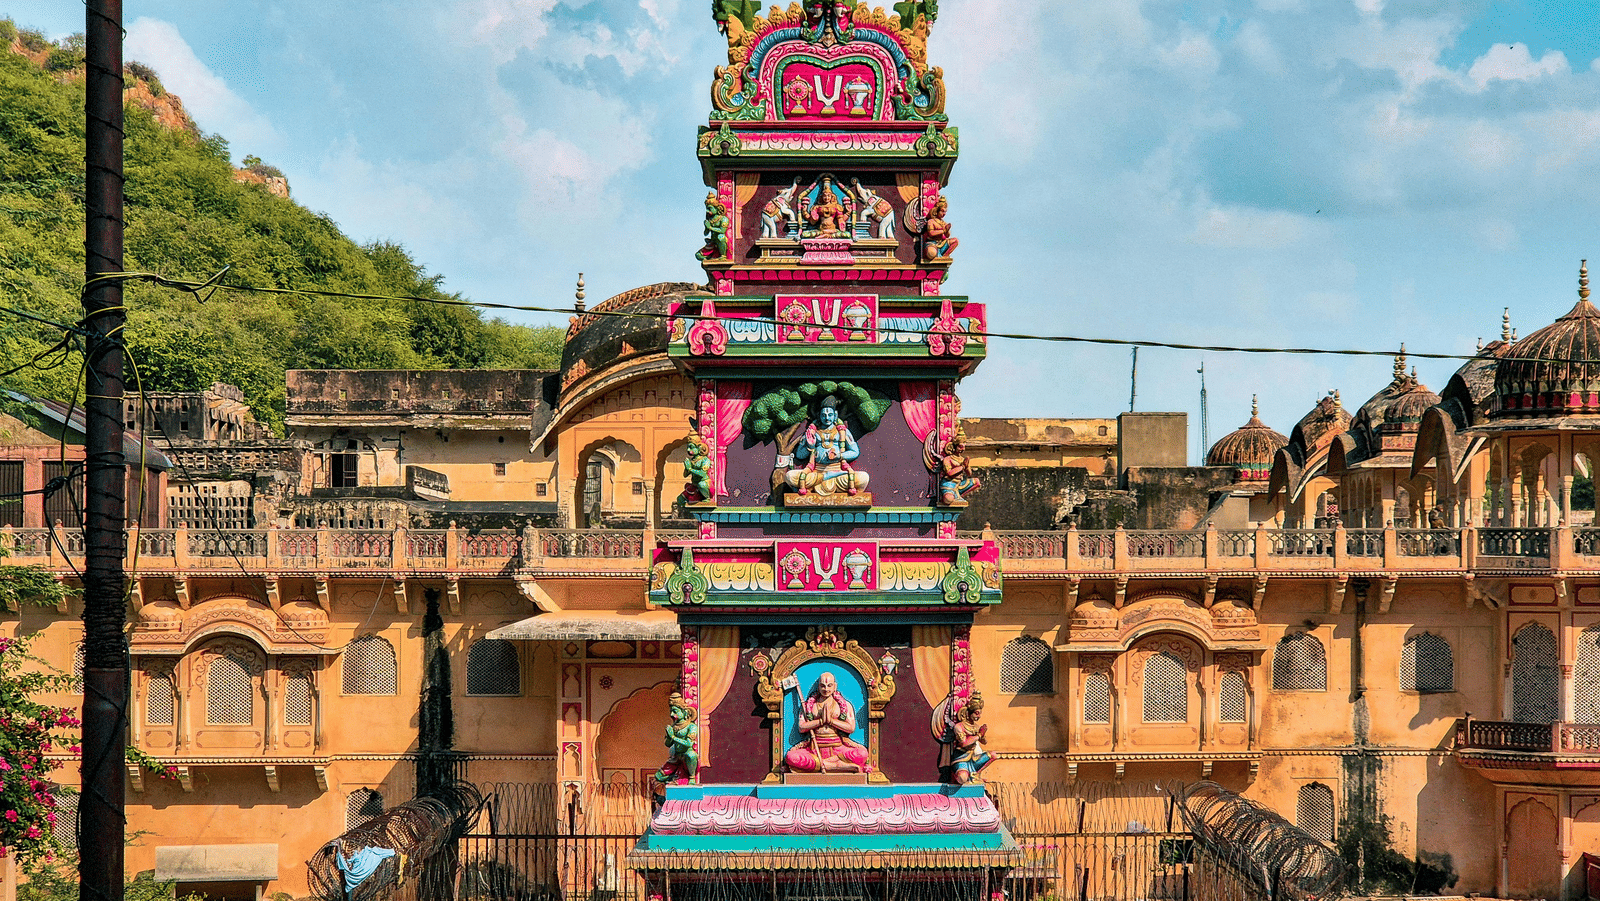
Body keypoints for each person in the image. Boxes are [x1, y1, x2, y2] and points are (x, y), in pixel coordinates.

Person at [784, 671, 870, 773]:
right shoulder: (808, 706)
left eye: (829, 686)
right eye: (823, 686)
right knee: (791, 757)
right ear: (818, 687)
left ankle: (824, 764)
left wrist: (831, 721)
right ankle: (835, 766)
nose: (826, 689)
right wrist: (820, 721)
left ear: (835, 686)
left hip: (838, 748)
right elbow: (802, 728)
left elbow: (850, 728)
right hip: (814, 749)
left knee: (862, 753)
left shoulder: (845, 705)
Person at [786, 396, 870, 497]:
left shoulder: (843, 432)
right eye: (823, 415)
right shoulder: (812, 432)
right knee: (790, 476)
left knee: (863, 478)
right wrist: (810, 446)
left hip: (838, 472)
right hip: (816, 473)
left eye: (830, 415)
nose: (826, 418)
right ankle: (825, 477)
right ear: (819, 416)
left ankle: (830, 477)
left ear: (835, 415)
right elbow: (799, 454)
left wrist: (839, 455)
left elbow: (855, 452)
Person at [654, 692, 699, 785]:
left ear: (684, 711)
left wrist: (673, 737)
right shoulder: (674, 726)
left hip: (687, 757)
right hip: (676, 757)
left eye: (675, 711)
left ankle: (691, 777)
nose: (671, 714)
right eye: (671, 711)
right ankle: (674, 777)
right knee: (658, 776)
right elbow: (668, 744)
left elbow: (688, 744)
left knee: (691, 755)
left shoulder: (691, 726)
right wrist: (669, 736)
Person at [946, 692, 992, 784]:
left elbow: (985, 742)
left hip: (973, 758)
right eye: (976, 713)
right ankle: (957, 776)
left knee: (993, 755)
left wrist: (982, 734)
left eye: (980, 714)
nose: (978, 716)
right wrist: (978, 735)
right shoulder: (959, 726)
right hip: (961, 758)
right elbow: (964, 743)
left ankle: (975, 774)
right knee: (962, 779)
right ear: (969, 713)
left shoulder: (976, 727)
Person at [938, 431, 980, 505]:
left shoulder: (962, 459)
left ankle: (959, 496)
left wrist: (966, 467)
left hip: (959, 485)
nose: (962, 449)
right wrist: (962, 467)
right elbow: (949, 473)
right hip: (949, 485)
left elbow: (969, 474)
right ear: (954, 446)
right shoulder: (948, 459)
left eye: (964, 447)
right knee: (948, 499)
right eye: (960, 447)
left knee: (976, 482)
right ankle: (950, 496)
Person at [921, 196, 958, 260]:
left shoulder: (943, 223)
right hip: (932, 244)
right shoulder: (931, 221)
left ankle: (944, 256)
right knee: (931, 253)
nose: (944, 214)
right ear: (937, 211)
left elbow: (947, 236)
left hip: (942, 243)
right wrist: (943, 231)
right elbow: (931, 233)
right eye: (942, 211)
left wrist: (947, 231)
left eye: (945, 212)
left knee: (955, 241)